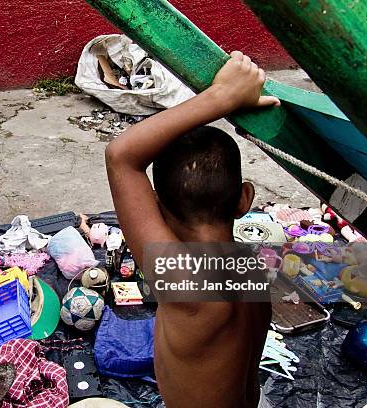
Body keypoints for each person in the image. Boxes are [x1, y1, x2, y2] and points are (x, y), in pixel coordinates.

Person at [105, 51, 280, 408]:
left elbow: (121, 157)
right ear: (244, 198)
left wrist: (222, 97)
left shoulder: (188, 286)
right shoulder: (251, 270)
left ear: (155, 208)